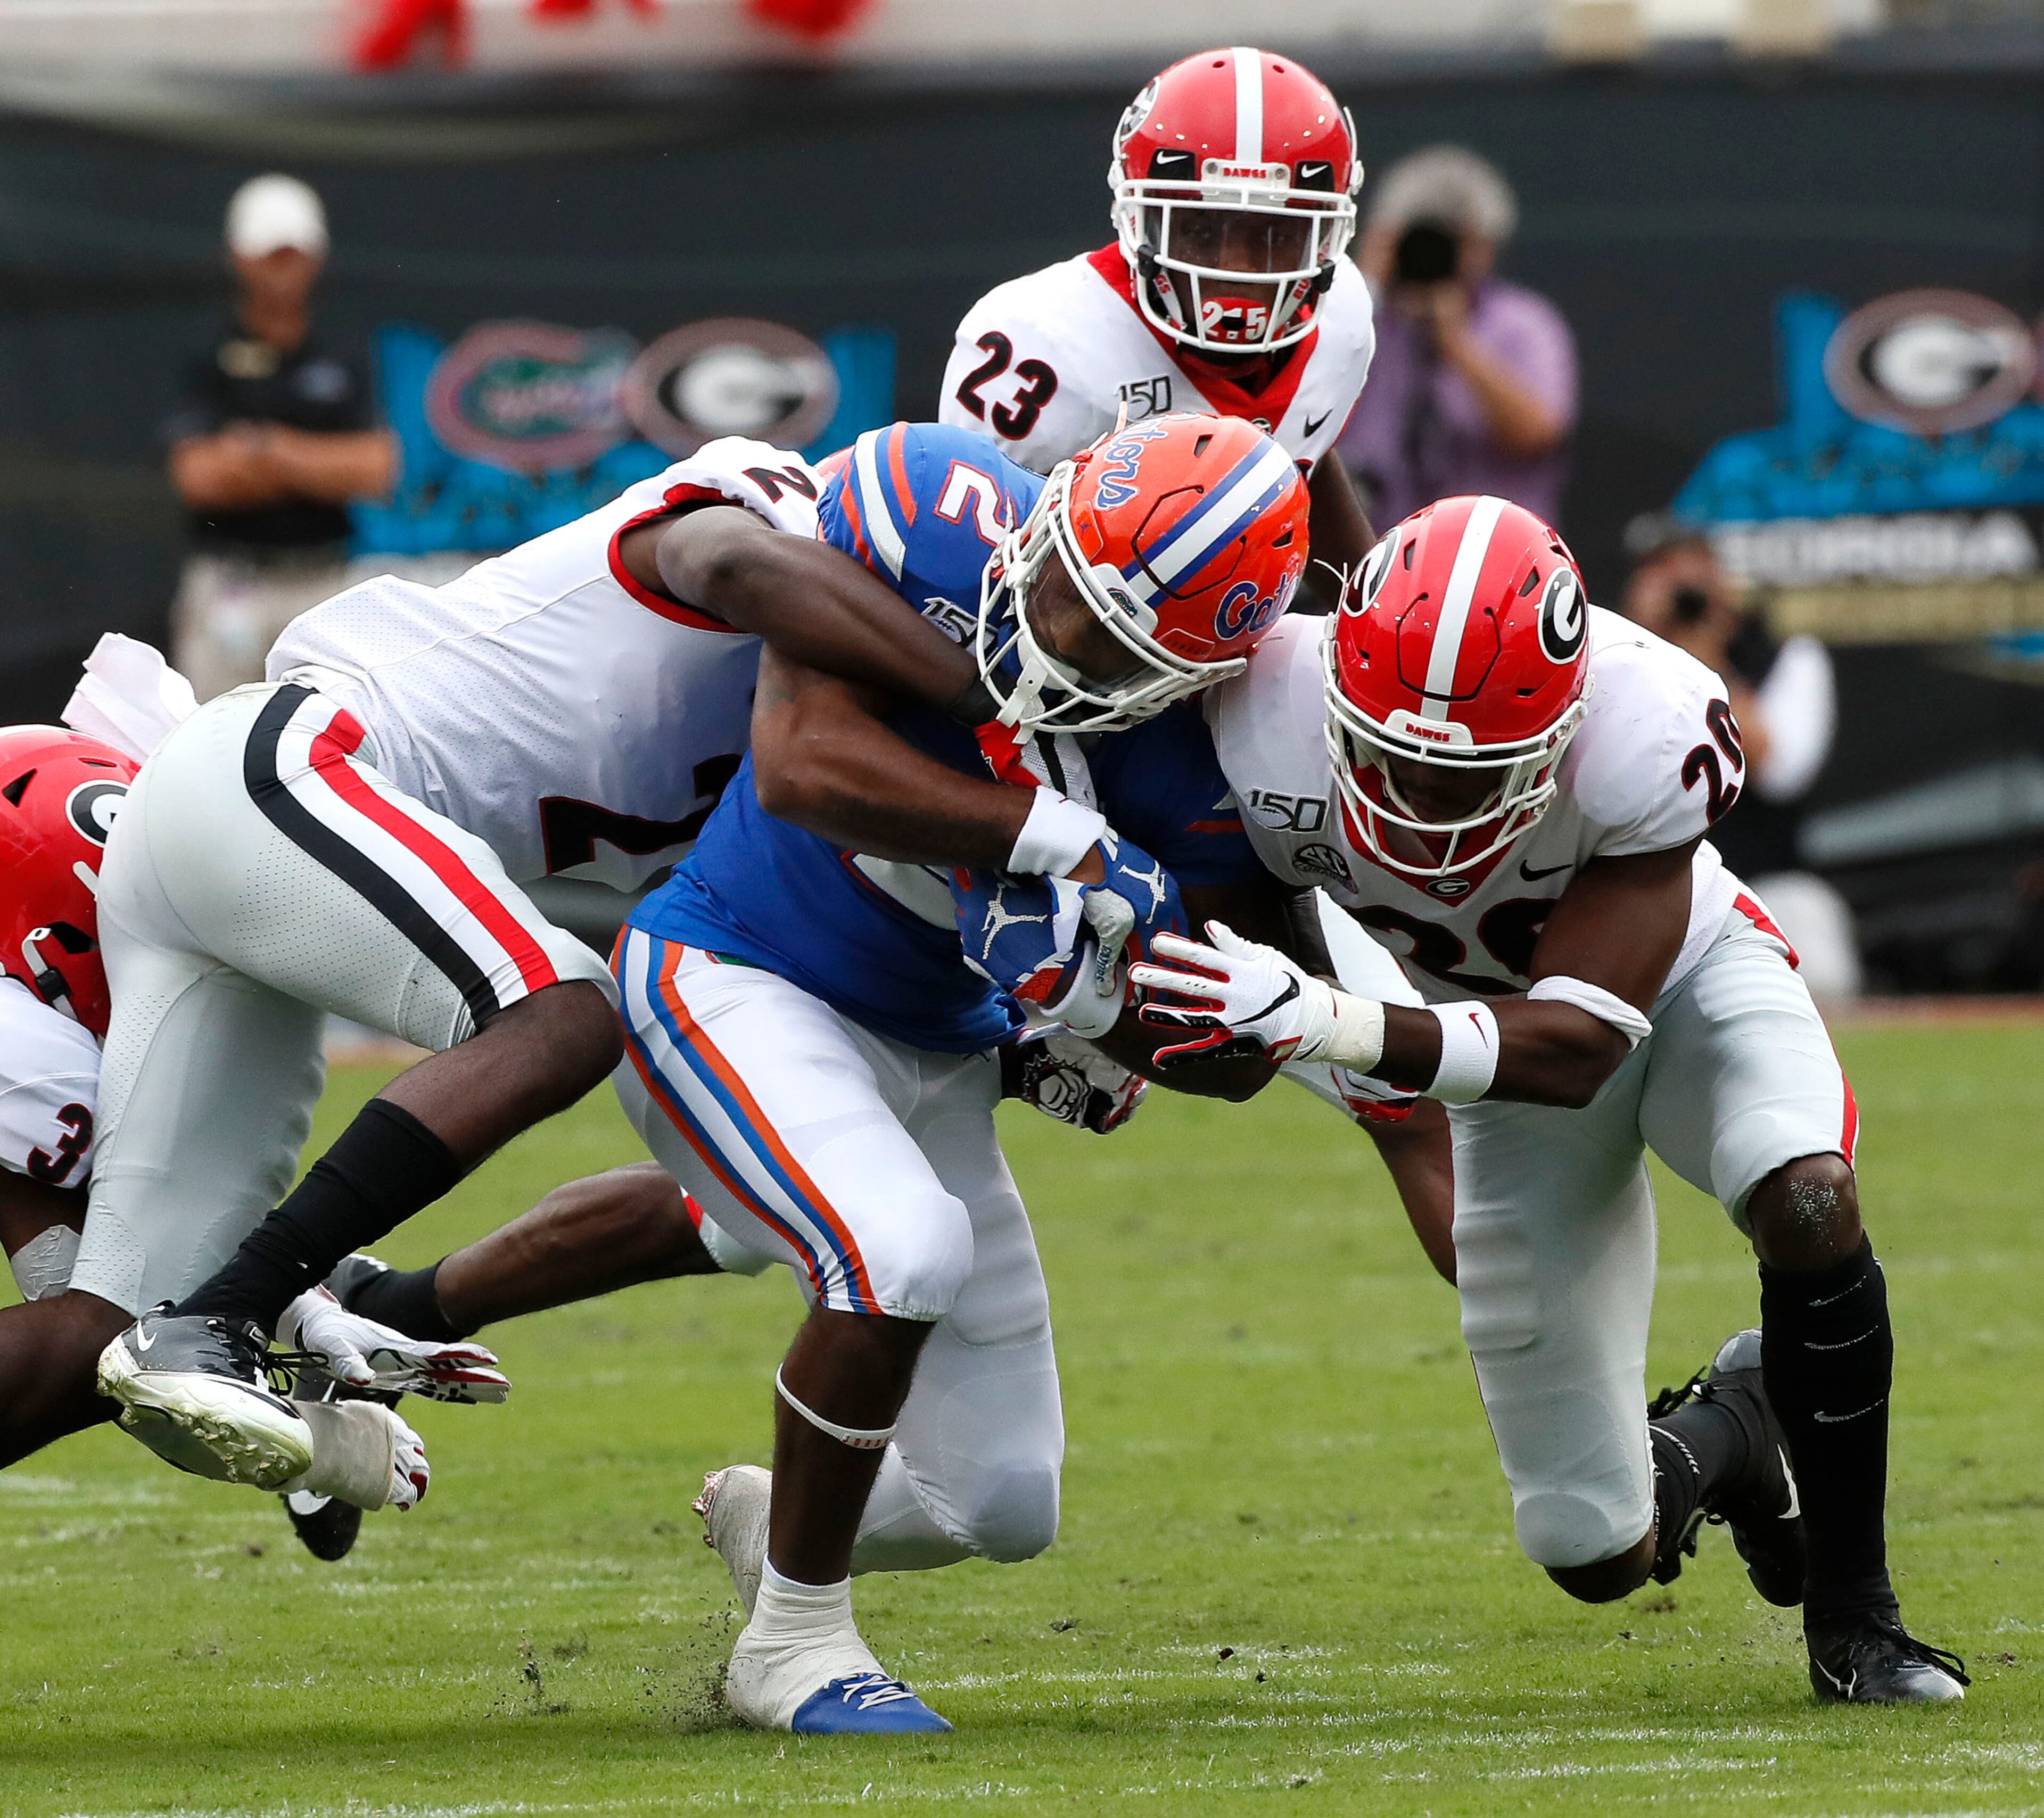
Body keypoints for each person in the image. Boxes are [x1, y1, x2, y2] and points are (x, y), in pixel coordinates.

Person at [27, 435, 992, 1504]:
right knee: (566, 1013)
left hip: (253, 860)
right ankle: (238, 1308)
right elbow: (731, 567)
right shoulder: (780, 523)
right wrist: (969, 689)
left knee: (101, 1338)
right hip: (288, 769)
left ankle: (288, 1305)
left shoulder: (833, 733)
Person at [1131, 495, 1967, 1704]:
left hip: (1669, 988)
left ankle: (1857, 1620)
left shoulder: (1649, 722)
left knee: (1804, 1189)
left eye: (1461, 773)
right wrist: (1139, 1014)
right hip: (1481, 1062)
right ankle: (1736, 1427)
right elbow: (1222, 1029)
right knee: (1592, 1550)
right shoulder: (1250, 712)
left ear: (1560, 726)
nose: (1419, 803)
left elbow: (1576, 1043)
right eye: (1391, 758)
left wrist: (1321, 1019)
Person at [617, 414, 1320, 1733]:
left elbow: (1220, 1058)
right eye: (1058, 586)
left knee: (995, 1502)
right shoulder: (930, 505)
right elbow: (803, 761)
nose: (1055, 638)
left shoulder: (1193, 759)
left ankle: (784, 1519)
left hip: (935, 1050)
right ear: (1046, 516)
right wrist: (1059, 840)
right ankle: (794, 1640)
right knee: (900, 1249)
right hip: (734, 969)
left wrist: (1091, 997)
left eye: (1109, 641)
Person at [939, 47, 1378, 609]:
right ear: (1134, 217)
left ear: (1325, 240)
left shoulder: (1339, 318)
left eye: (1273, 236)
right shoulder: (1039, 348)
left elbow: (1301, 454)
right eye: (1198, 230)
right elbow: (969, 592)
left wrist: (1370, 609)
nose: (1235, 271)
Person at [163, 176, 398, 702]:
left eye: (293, 255)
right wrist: (319, 466)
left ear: (315, 258)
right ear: (239, 258)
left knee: (329, 731)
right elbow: (198, 477)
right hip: (232, 583)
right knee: (207, 731)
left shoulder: (342, 351)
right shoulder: (208, 350)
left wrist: (266, 449)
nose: (282, 269)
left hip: (322, 581)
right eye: (270, 255)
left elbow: (375, 468)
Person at [1621, 516, 1857, 999]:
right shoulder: (1614, 657)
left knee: (1825, 980)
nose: (1684, 596)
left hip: (1764, 884)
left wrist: (1702, 657)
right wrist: (1645, 640)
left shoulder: (1785, 656)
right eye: (1665, 576)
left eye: (1696, 578)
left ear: (1724, 585)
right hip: (1644, 886)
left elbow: (1781, 772)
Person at [1335, 147, 1577, 531]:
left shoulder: (1523, 324)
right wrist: (1363, 287)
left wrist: (1455, 341)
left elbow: (1538, 434)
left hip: (1495, 552)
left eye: (1451, 241)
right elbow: (1302, 406)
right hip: (1371, 554)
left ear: (1485, 246)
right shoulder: (1356, 322)